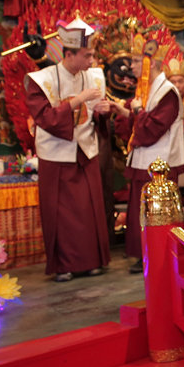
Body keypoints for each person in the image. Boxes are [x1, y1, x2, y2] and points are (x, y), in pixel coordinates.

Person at [23, 17, 111, 282]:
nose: (92, 60)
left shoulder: (94, 76)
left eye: (92, 54)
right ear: (69, 54)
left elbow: (96, 116)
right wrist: (78, 100)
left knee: (90, 210)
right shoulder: (41, 80)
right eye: (87, 55)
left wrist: (103, 112)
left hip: (86, 150)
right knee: (62, 214)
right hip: (56, 153)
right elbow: (45, 118)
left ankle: (94, 261)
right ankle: (64, 266)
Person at [111, 37, 184, 275]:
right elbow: (141, 122)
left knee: (156, 212)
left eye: (135, 61)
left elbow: (153, 128)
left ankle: (159, 255)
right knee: (140, 210)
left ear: (150, 63)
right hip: (144, 159)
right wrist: (126, 112)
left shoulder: (167, 92)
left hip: (160, 162)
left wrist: (135, 111)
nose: (130, 66)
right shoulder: (147, 88)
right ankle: (144, 253)